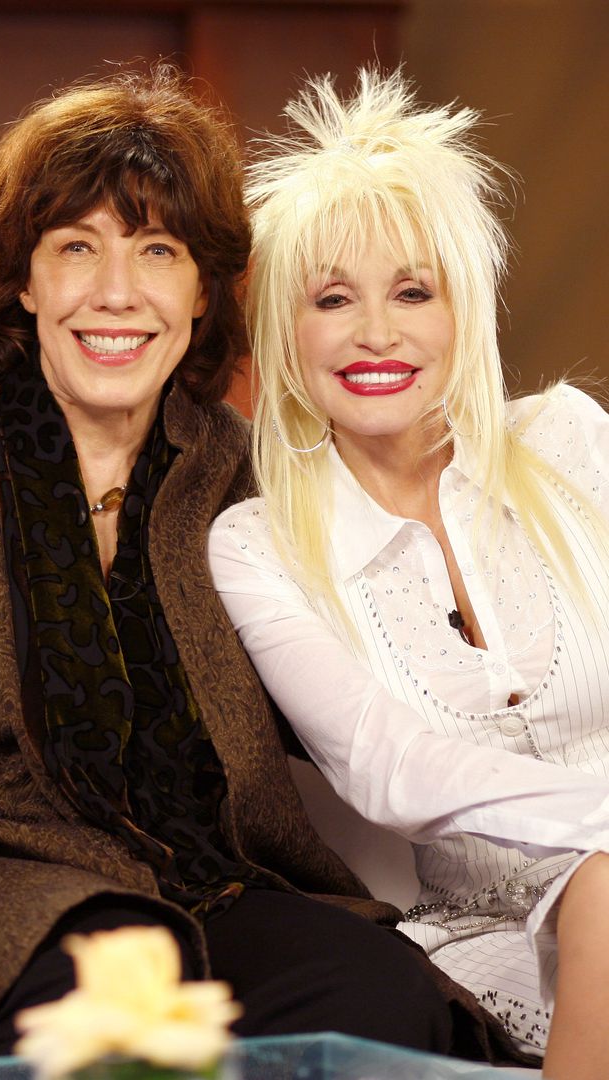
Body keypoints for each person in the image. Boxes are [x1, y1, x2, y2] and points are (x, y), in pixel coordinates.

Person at [0, 67, 525, 1067]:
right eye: (76, 248)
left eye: (157, 251)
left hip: (218, 883)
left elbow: (378, 676)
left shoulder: (253, 470)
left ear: (201, 287)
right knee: (130, 1032)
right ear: (24, 277)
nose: (117, 293)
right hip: (3, 890)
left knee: (375, 992)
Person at [209, 67, 609, 1079]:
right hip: (477, 943)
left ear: (463, 310)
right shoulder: (257, 544)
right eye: (332, 298)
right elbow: (390, 771)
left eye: (413, 292)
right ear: (286, 336)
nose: (376, 333)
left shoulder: (568, 440)